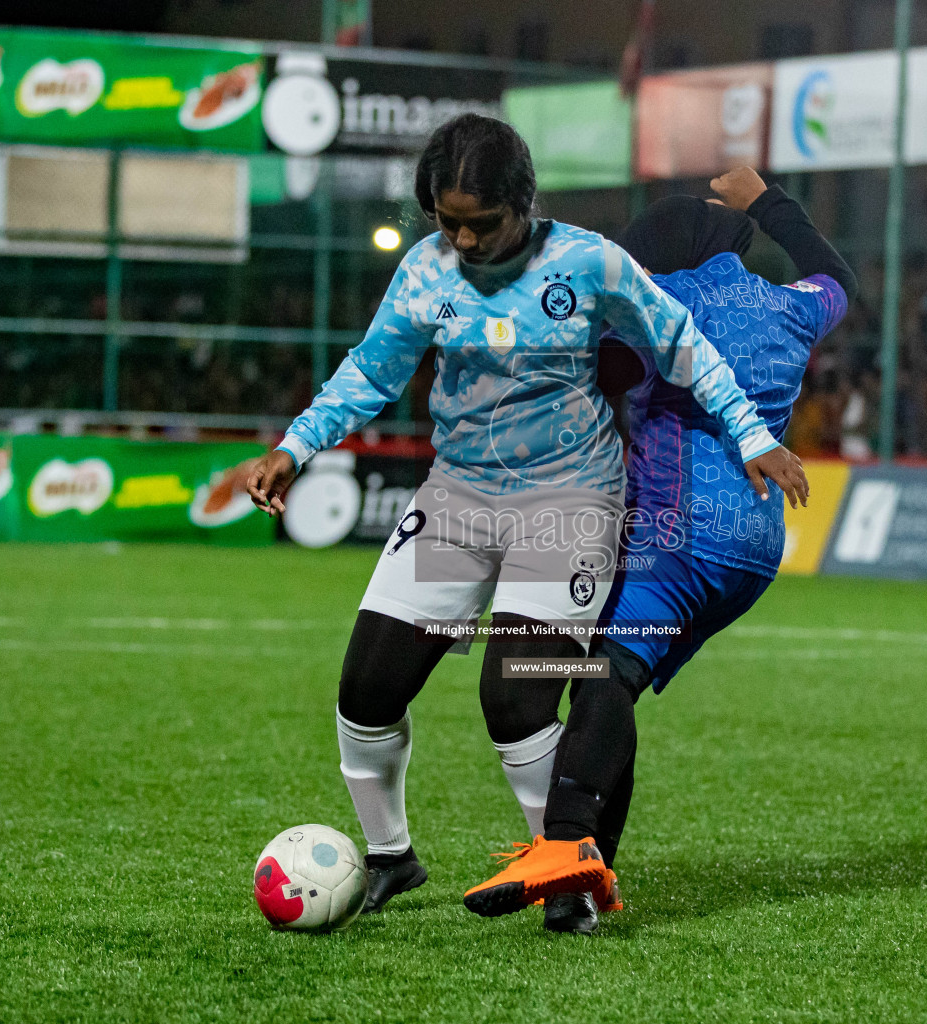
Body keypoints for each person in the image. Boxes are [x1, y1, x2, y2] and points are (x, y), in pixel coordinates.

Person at [242, 117, 807, 914]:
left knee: (516, 696)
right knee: (367, 690)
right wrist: (294, 448)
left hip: (569, 499)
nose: (465, 239)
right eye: (449, 222)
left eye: (483, 221)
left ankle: (568, 877)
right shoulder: (423, 273)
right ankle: (390, 856)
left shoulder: (589, 262)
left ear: (523, 202)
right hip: (459, 497)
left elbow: (684, 346)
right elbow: (369, 374)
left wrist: (752, 435)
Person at [462, 165, 855, 933]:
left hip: (675, 525)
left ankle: (571, 845)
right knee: (614, 675)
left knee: (598, 673)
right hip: (758, 540)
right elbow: (836, 275)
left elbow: (580, 365)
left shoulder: (658, 308)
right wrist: (769, 205)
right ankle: (576, 881)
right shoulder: (788, 306)